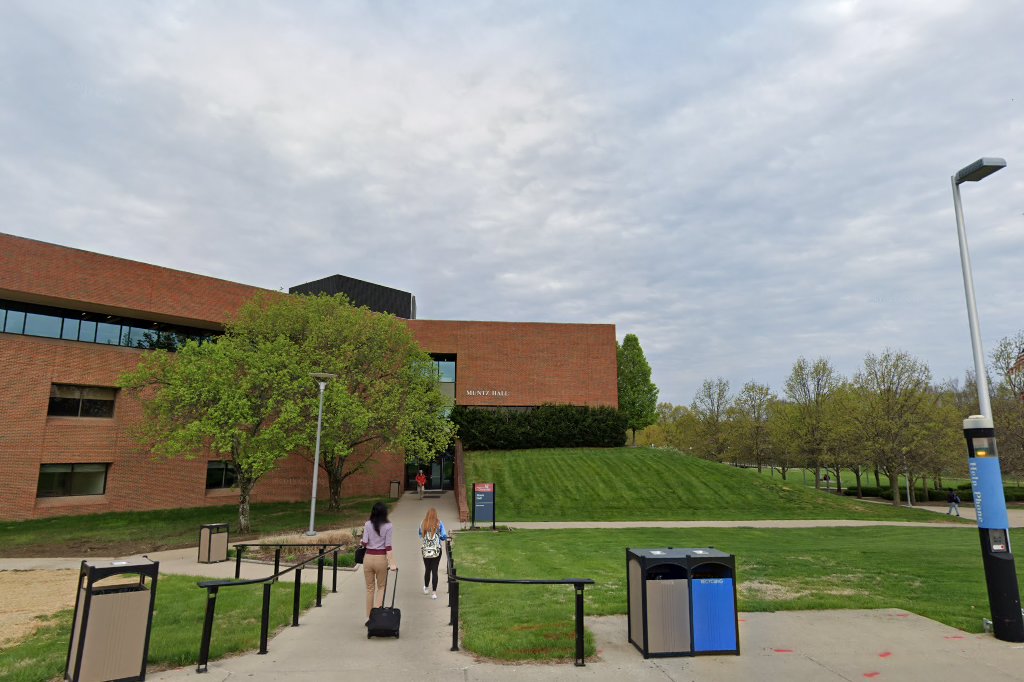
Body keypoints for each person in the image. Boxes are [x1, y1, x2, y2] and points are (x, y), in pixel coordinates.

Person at [361, 501, 397, 622]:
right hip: (381, 559)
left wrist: (361, 541)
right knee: (381, 587)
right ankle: (377, 616)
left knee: (369, 588)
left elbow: (364, 542)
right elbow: (388, 546)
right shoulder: (389, 526)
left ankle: (369, 617)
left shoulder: (367, 524)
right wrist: (392, 563)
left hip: (368, 559)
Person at [418, 507, 449, 600]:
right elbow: (443, 536)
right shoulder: (439, 523)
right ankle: (434, 593)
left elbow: (420, 535)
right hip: (436, 550)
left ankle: (426, 587)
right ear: (436, 514)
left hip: (426, 550)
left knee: (427, 569)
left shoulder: (423, 523)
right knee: (435, 570)